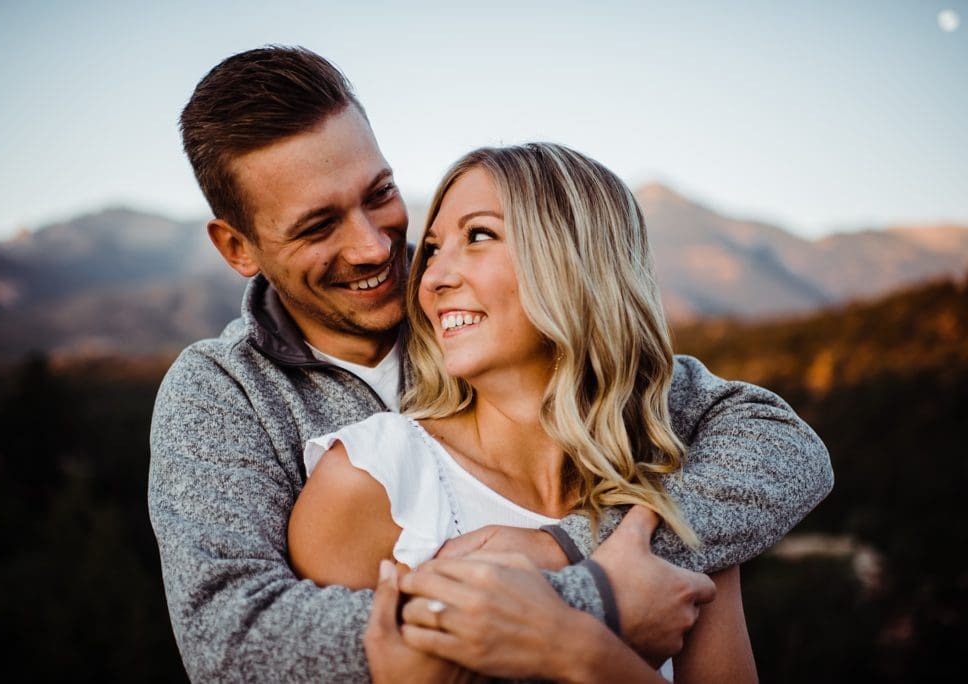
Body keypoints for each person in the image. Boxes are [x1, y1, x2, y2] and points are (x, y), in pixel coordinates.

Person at [148, 45, 833, 682]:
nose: (375, 248)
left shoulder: (492, 315)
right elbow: (232, 640)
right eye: (318, 226)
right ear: (238, 247)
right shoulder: (227, 393)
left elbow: (776, 442)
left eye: (379, 194)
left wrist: (570, 547)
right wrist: (585, 605)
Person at [290, 143, 758, 682]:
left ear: (577, 259)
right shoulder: (373, 480)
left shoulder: (679, 495)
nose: (434, 278)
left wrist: (582, 651)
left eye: (479, 235)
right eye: (435, 248)